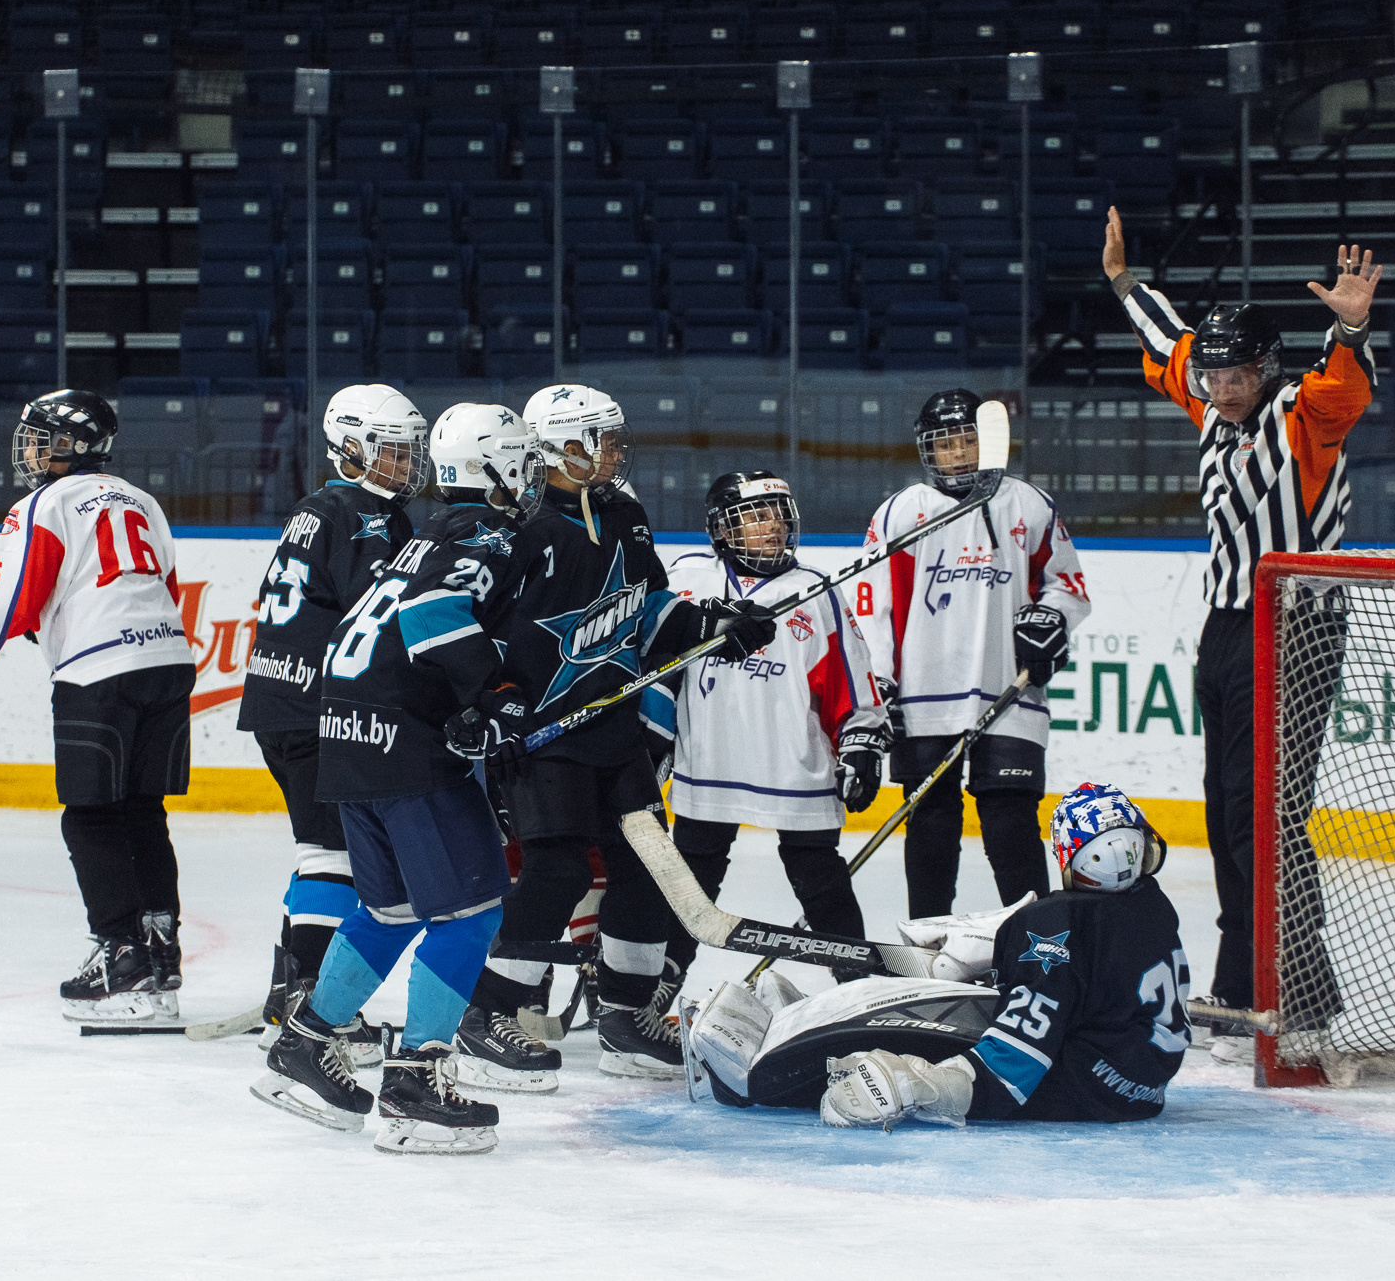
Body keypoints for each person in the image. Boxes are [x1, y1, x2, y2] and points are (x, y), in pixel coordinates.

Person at [1104, 207, 1378, 1061]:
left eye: (1236, 375)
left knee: (1266, 812)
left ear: (1268, 369)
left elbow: (1346, 387)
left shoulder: (1303, 414)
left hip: (1296, 626)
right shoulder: (1211, 403)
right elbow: (1174, 341)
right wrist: (1121, 281)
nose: (1220, 387)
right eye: (1216, 376)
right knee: (1231, 814)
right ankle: (1271, 985)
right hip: (1225, 628)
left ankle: (1272, 989)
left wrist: (1352, 322)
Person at [461, 383, 780, 1084]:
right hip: (543, 734)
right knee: (558, 868)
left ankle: (625, 1017)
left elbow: (651, 606)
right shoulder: (522, 528)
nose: (614, 450)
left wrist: (714, 627)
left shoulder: (626, 514)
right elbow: (469, 628)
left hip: (611, 729)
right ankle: (487, 1010)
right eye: (601, 439)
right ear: (562, 448)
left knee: (645, 864)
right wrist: (492, 702)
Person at [250, 403, 544, 1155]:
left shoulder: (426, 536)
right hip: (406, 745)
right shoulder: (484, 532)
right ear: (497, 466)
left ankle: (305, 1043)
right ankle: (416, 1080)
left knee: (391, 911)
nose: (530, 472)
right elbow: (439, 615)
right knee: (471, 912)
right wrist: (496, 698)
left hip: (349, 730)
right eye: (522, 457)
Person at [0, 389, 195, 1025]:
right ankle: (159, 958)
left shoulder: (43, 503)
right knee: (143, 812)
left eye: (44, 437)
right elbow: (157, 585)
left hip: (100, 673)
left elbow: (15, 594)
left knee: (90, 817)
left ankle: (120, 956)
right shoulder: (143, 500)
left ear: (73, 445)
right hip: (168, 659)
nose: (34, 449)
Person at [815, 783, 1191, 1128]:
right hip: (1141, 1090)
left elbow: (1016, 1061)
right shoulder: (1155, 906)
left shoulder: (1054, 923)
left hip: (1088, 1089)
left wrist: (926, 1086)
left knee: (952, 1023)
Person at [643, 471, 890, 986]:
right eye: (754, 517)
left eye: (778, 514)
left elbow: (849, 677)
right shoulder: (690, 578)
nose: (771, 526)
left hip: (793, 766)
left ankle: (859, 992)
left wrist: (861, 740)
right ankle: (652, 994)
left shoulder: (813, 591)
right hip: (708, 764)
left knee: (820, 878)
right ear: (720, 530)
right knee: (691, 886)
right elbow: (649, 653)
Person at [236, 384, 424, 1048]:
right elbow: (383, 621)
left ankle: (290, 991)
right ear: (349, 449)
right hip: (321, 707)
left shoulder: (319, 509)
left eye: (408, 453)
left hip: (281, 699)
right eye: (391, 452)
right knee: (335, 856)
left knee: (321, 851)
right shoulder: (366, 516)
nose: (405, 465)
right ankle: (313, 1006)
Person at [859, 389, 1091, 919]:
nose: (959, 453)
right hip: (921, 701)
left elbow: (1068, 586)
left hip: (1009, 694)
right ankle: (930, 941)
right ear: (927, 451)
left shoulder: (1027, 504)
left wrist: (1050, 617)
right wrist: (879, 682)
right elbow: (870, 608)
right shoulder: (901, 514)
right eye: (946, 444)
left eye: (969, 441)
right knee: (931, 827)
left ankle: (1039, 952)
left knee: (1011, 827)